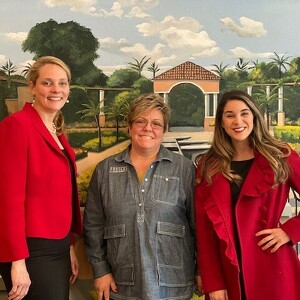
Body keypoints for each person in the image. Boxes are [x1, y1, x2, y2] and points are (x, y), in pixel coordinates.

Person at [83, 93, 200, 300]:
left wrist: (202, 270)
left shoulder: (184, 169)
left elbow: (199, 226)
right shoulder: (105, 170)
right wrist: (100, 270)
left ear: (164, 130)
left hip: (174, 284)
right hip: (121, 285)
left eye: (156, 123)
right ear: (129, 127)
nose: (148, 128)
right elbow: (93, 226)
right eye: (140, 121)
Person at [194, 90, 300, 300]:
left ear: (254, 117)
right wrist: (213, 282)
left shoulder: (280, 155)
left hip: (272, 267)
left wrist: (289, 231)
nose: (238, 121)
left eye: (244, 113)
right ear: (221, 122)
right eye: (229, 115)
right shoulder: (208, 165)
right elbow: (205, 231)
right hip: (227, 271)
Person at [0, 56, 82, 299]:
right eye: (48, 83)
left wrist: (69, 247)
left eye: (63, 83)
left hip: (56, 246)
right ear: (32, 87)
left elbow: (59, 196)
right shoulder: (16, 126)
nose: (57, 89)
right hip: (31, 250)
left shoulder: (56, 131)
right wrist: (17, 262)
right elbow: (8, 199)